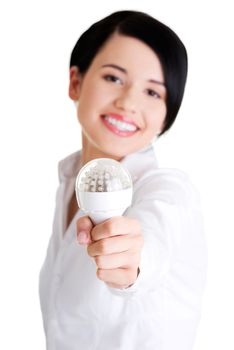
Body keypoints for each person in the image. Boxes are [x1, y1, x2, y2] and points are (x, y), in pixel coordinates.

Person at [39, 10, 207, 350]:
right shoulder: (71, 182)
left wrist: (133, 261)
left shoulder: (169, 192)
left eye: (153, 93)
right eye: (114, 78)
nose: (128, 103)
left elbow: (151, 246)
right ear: (76, 82)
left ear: (165, 118)